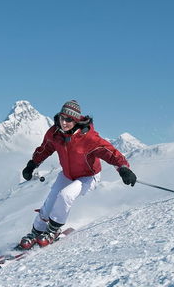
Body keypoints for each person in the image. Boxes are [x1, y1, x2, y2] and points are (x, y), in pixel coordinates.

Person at [19, 100, 137, 249]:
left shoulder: (89, 138)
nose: (64, 122)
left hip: (88, 176)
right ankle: (37, 231)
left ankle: (53, 230)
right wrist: (32, 165)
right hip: (67, 175)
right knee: (51, 200)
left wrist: (123, 168)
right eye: (62, 117)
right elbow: (45, 149)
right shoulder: (54, 133)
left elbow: (110, 153)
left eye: (69, 119)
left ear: (76, 120)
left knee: (65, 195)